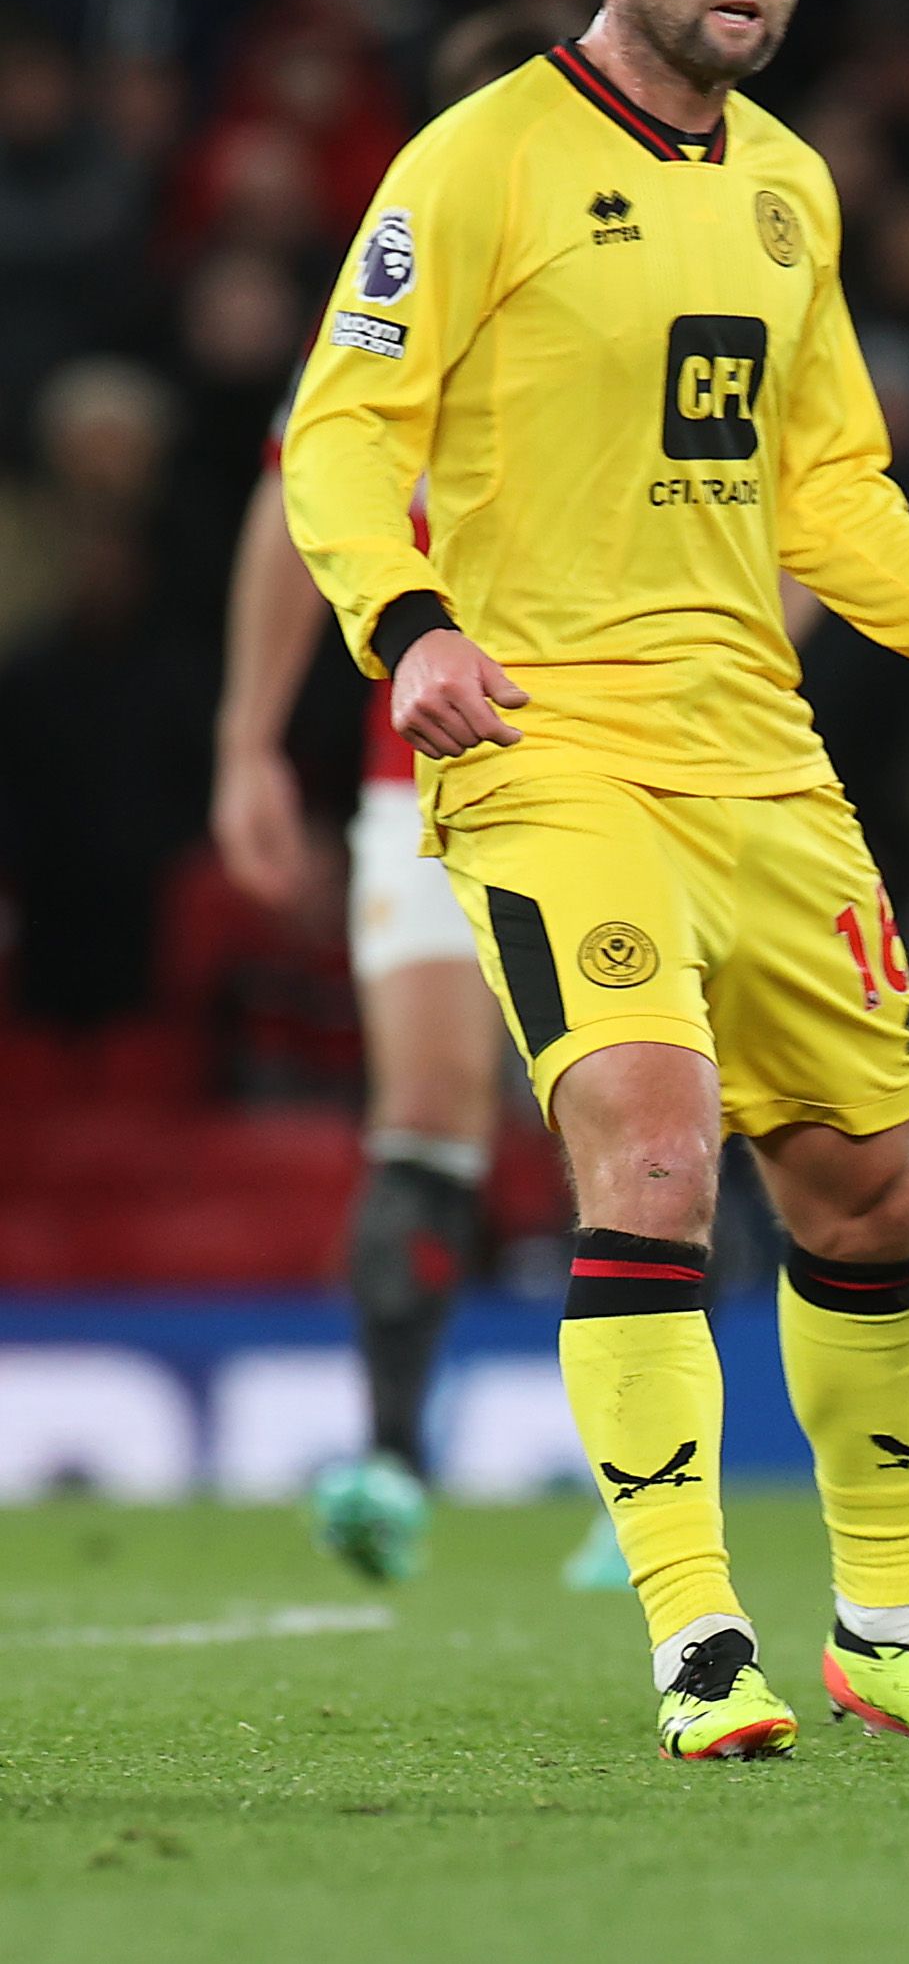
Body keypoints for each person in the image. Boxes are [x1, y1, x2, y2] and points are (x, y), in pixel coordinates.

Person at [280, 0, 909, 1764]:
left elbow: (831, 505)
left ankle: (897, 1625)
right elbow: (340, 432)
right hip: (544, 743)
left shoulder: (789, 188)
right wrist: (409, 628)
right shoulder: (480, 157)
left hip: (760, 757)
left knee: (865, 1190)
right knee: (656, 1154)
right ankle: (696, 1642)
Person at [212, 459, 507, 1586]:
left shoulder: (674, 290)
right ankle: (391, 1462)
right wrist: (248, 741)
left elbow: (792, 514)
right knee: (428, 1110)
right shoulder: (391, 301)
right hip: (423, 774)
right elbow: (295, 494)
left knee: (655, 1113)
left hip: (644, 769)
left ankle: (670, 1482)